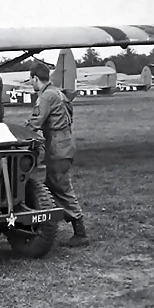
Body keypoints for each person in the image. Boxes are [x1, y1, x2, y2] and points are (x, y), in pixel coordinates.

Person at [25, 62, 89, 247]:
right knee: (50, 186)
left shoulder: (46, 96)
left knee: (60, 187)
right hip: (66, 142)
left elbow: (35, 122)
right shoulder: (59, 93)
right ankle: (46, 223)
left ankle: (80, 230)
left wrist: (19, 135)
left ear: (36, 78)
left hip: (57, 147)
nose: (31, 83)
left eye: (31, 80)